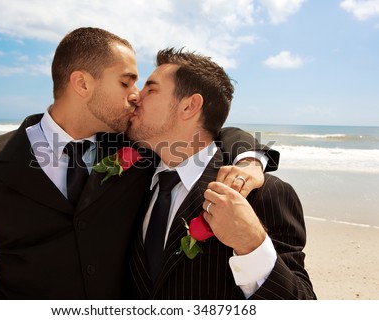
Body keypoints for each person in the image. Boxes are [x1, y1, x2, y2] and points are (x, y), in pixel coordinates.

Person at [0, 28, 277, 299]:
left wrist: (249, 159)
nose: (136, 94)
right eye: (126, 81)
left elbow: (206, 132)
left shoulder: (137, 148)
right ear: (81, 83)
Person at [126, 48, 316, 299]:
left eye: (150, 89)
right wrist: (251, 156)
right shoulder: (132, 178)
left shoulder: (264, 194)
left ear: (189, 106)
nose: (135, 96)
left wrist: (252, 245)